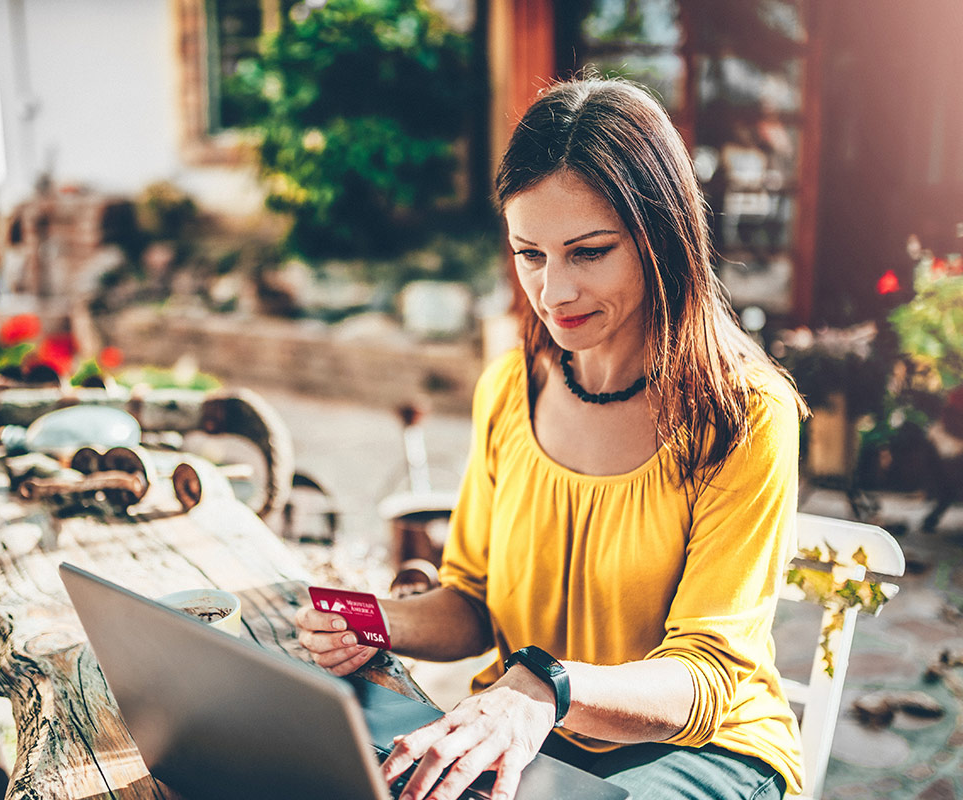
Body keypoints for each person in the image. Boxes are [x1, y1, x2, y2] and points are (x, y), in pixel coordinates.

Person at [296, 76, 808, 800]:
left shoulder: (745, 413)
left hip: (708, 751)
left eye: (589, 252)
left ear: (662, 239)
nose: (553, 292)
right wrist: (374, 622)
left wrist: (543, 688)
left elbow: (705, 678)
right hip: (528, 728)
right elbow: (472, 603)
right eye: (529, 254)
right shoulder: (512, 388)